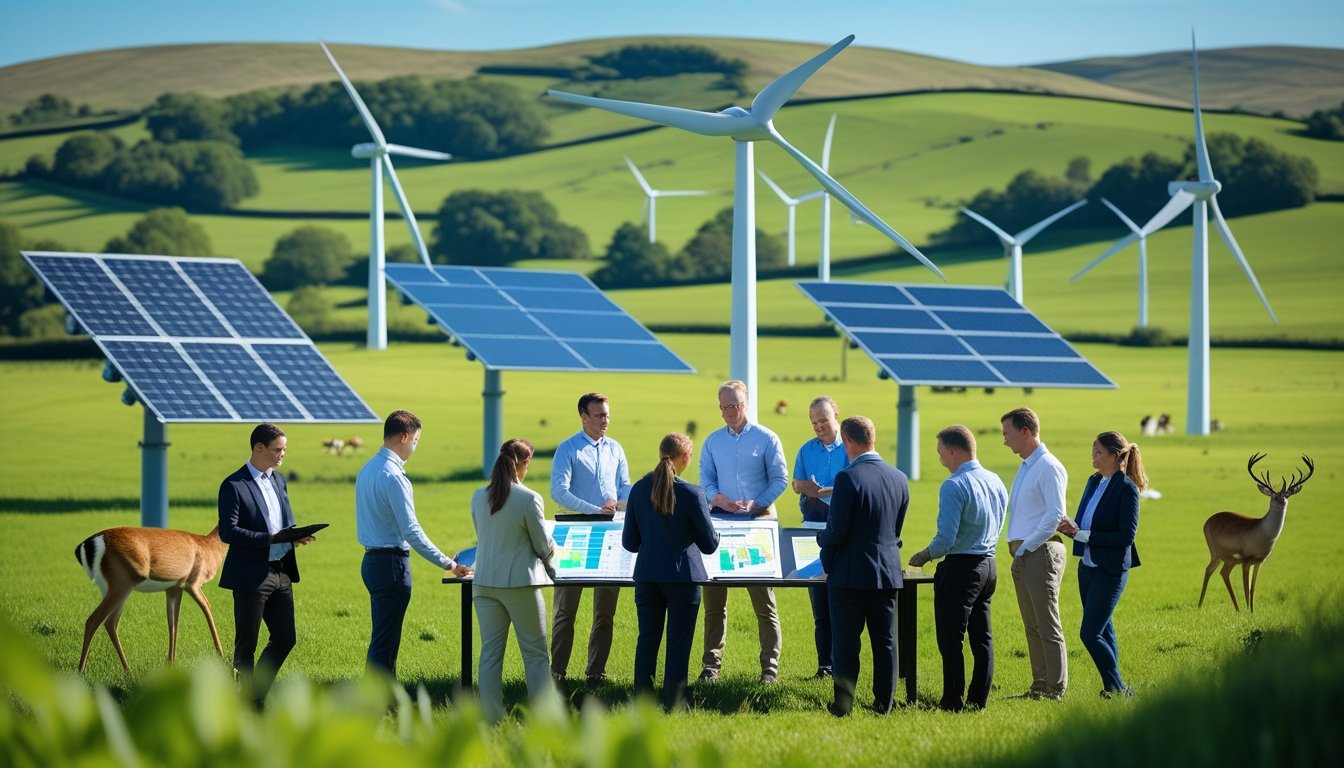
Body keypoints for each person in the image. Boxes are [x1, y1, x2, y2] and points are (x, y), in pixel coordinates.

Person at [356, 409, 471, 678]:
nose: (415, 447)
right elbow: (412, 531)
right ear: (405, 437)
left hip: (371, 561)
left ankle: (384, 698)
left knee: (383, 635)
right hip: (391, 564)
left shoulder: (367, 469)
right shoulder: (395, 477)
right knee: (385, 641)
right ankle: (376, 702)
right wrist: (449, 563)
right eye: (416, 441)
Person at [908, 425, 1008, 711]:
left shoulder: (953, 485)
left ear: (953, 450)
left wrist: (925, 555)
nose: (940, 459)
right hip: (989, 565)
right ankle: (978, 701)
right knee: (982, 638)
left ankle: (952, 701)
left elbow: (946, 538)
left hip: (961, 568)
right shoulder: (996, 480)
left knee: (951, 640)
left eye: (940, 452)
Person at [697, 380, 788, 685]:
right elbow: (706, 482)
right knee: (714, 605)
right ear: (719, 409)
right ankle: (711, 668)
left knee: (764, 601)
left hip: (758, 524)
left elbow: (780, 479)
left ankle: (770, 669)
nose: (732, 411)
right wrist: (717, 498)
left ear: (746, 403)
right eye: (726, 407)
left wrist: (757, 503)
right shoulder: (711, 442)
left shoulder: (766, 438)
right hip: (719, 524)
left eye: (736, 405)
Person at [818, 416, 909, 716]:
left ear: (847, 441)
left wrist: (824, 547)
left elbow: (837, 531)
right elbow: (895, 531)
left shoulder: (847, 478)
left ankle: (843, 704)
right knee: (885, 643)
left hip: (850, 575)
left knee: (846, 645)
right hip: (887, 573)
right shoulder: (899, 477)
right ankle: (884, 704)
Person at [218, 422, 314, 707]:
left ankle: (254, 697)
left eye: (284, 449)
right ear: (259, 448)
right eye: (278, 450)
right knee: (246, 646)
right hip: (251, 575)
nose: (282, 455)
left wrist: (294, 536)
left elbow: (284, 521)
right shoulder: (233, 485)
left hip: (282, 571)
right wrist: (270, 539)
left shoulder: (279, 480)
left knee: (285, 638)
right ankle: (247, 706)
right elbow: (228, 532)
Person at [622, 433, 720, 711]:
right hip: (683, 578)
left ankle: (642, 700)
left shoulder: (639, 489)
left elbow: (630, 542)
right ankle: (675, 702)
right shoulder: (692, 493)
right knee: (679, 642)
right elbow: (709, 545)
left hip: (647, 576)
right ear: (685, 457)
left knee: (647, 638)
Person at [471, 438, 559, 723]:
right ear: (524, 463)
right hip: (520, 583)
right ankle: (544, 717)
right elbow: (541, 545)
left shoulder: (478, 496)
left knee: (490, 654)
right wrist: (553, 549)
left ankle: (490, 718)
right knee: (535, 653)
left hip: (484, 583)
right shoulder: (529, 498)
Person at [549, 392, 632, 686]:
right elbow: (558, 491)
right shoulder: (568, 449)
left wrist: (620, 501)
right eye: (599, 415)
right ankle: (556, 673)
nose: (605, 420)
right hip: (574, 535)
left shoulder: (615, 449)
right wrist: (594, 510)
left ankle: (596, 673)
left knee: (605, 613)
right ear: (583, 416)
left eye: (607, 414)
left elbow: (625, 487)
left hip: (610, 537)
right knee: (565, 612)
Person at [1058, 431, 1145, 699]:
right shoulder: (1094, 481)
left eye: (1098, 452)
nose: (1093, 456)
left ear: (1115, 455)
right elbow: (1086, 520)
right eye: (1092, 451)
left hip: (1111, 569)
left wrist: (1082, 535)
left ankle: (1119, 689)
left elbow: (1125, 537)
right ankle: (1113, 689)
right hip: (1087, 567)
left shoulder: (1127, 489)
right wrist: (1071, 526)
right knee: (1104, 627)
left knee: (1090, 633)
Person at [1001, 406, 1069, 700]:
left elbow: (1055, 514)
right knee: (1032, 625)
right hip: (1025, 554)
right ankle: (1040, 685)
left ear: (1025, 432)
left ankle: (1055, 687)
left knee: (1047, 622)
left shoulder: (1048, 466)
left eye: (1008, 433)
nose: (1005, 440)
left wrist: (1027, 547)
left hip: (1038, 551)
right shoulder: (1028, 465)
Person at [790, 395, 847, 679]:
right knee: (820, 604)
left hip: (844, 533)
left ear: (836, 414)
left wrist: (822, 491)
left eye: (823, 420)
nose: (819, 427)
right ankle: (824, 665)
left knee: (843, 602)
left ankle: (843, 666)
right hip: (813, 532)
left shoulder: (850, 448)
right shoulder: (805, 450)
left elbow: (858, 485)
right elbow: (797, 484)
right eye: (814, 422)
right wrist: (803, 488)